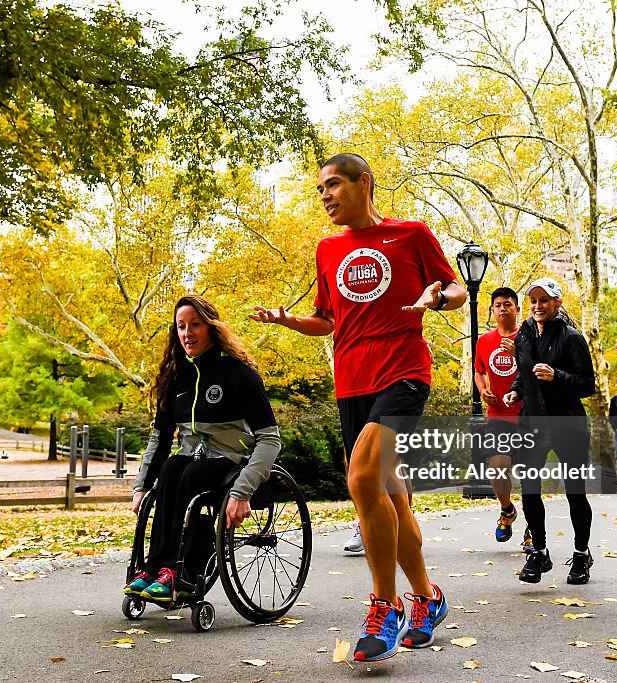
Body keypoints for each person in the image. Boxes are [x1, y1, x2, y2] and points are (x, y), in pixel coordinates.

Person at [250, 153, 465, 662]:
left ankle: (385, 606)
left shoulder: (411, 234)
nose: (324, 195)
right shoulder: (327, 249)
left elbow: (455, 289)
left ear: (363, 183)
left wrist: (436, 299)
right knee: (393, 496)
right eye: (320, 188)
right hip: (351, 382)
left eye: (333, 185)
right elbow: (327, 319)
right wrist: (288, 322)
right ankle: (428, 598)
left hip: (403, 372)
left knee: (362, 478)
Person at [125, 295, 281, 605]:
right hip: (191, 461)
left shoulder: (239, 374)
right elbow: (159, 439)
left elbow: (270, 439)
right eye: (181, 326)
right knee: (172, 467)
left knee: (191, 473)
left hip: (233, 461)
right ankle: (155, 568)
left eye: (195, 325)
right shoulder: (176, 378)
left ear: (211, 328)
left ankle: (181, 572)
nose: (187, 333)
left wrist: (242, 491)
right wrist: (141, 487)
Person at [503, 277, 596, 585]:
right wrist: (516, 391)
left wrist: (557, 376)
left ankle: (581, 555)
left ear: (557, 303)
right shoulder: (524, 335)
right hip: (532, 421)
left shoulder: (572, 338)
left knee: (575, 492)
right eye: (533, 300)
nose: (538, 306)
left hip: (567, 421)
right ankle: (538, 553)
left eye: (544, 300)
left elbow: (587, 385)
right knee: (529, 489)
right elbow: (524, 373)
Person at [473, 287, 527, 546]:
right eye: (498, 305)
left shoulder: (528, 336)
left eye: (508, 304)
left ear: (517, 309)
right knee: (497, 464)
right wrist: (483, 390)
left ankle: (533, 529)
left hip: (529, 414)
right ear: (493, 311)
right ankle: (507, 509)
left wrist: (521, 354)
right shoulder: (484, 341)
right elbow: (479, 371)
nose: (503, 308)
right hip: (499, 414)